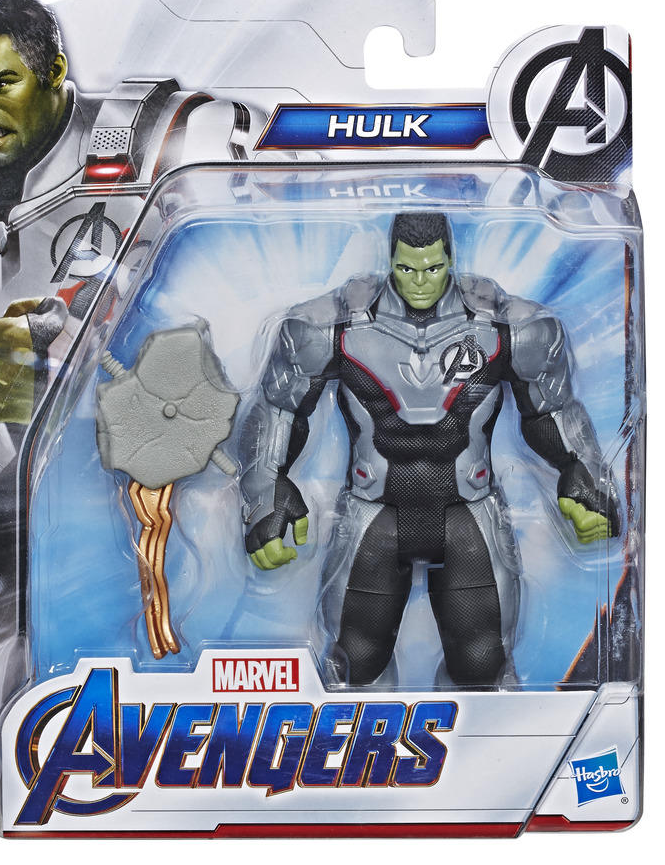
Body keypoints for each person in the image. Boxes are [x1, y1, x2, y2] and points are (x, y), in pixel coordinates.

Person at [0, 0, 269, 775]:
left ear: (55, 71)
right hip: (31, 492)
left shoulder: (174, 141)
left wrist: (86, 356)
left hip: (191, 486)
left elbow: (272, 290)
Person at [239, 211, 619, 689]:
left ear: (450, 260)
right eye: (407, 268)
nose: (420, 282)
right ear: (391, 260)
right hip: (373, 511)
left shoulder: (506, 326)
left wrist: (582, 475)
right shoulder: (334, 325)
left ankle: (485, 739)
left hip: (467, 511)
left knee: (482, 666)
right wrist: (265, 491)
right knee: (354, 666)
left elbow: (552, 411)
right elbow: (278, 409)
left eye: (432, 268)